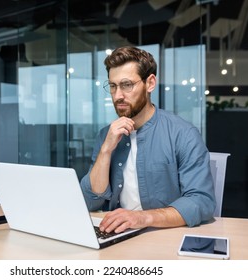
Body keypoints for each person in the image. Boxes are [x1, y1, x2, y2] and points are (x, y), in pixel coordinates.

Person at [80, 46, 215, 234]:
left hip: (163, 236)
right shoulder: (106, 135)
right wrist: (105, 150)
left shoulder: (183, 134)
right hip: (115, 235)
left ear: (150, 83)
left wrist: (141, 217)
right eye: (112, 86)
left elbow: (201, 201)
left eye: (127, 85)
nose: (118, 95)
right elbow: (90, 201)